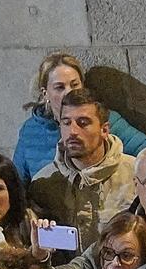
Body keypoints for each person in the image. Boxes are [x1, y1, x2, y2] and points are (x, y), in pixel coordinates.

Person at [13, 52, 146, 181]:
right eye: (59, 87)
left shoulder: (103, 119)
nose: (68, 92)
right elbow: (16, 182)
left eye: (74, 85)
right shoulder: (31, 130)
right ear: (45, 93)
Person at [28, 88, 139, 251]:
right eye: (66, 123)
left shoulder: (135, 176)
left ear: (104, 130)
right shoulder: (43, 184)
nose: (73, 132)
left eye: (83, 123)